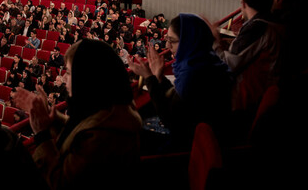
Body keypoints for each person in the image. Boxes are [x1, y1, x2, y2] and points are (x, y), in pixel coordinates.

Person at [13, 39, 141, 189]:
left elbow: (62, 184)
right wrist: (51, 118)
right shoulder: (105, 107)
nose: (64, 78)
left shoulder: (107, 132)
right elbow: (81, 134)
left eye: (68, 72)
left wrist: (42, 134)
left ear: (86, 78)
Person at [128, 14, 232, 151]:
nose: (167, 45)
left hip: (191, 144)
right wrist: (158, 77)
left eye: (172, 40)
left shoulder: (195, 72)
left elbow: (171, 119)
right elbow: (180, 102)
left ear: (187, 41)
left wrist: (149, 77)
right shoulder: (206, 60)